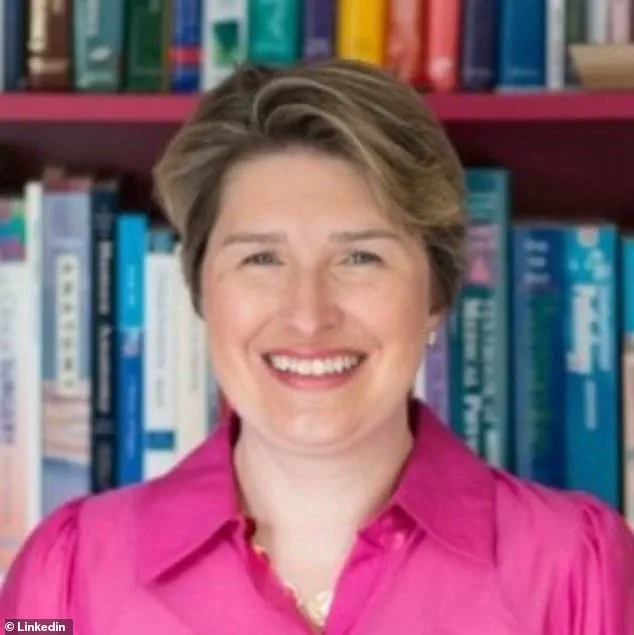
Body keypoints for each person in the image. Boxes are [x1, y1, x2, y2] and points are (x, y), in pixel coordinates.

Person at [1, 59, 633, 634]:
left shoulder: (579, 567)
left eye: (360, 258)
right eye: (261, 259)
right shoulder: (67, 575)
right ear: (200, 290)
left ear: (436, 296)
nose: (308, 315)